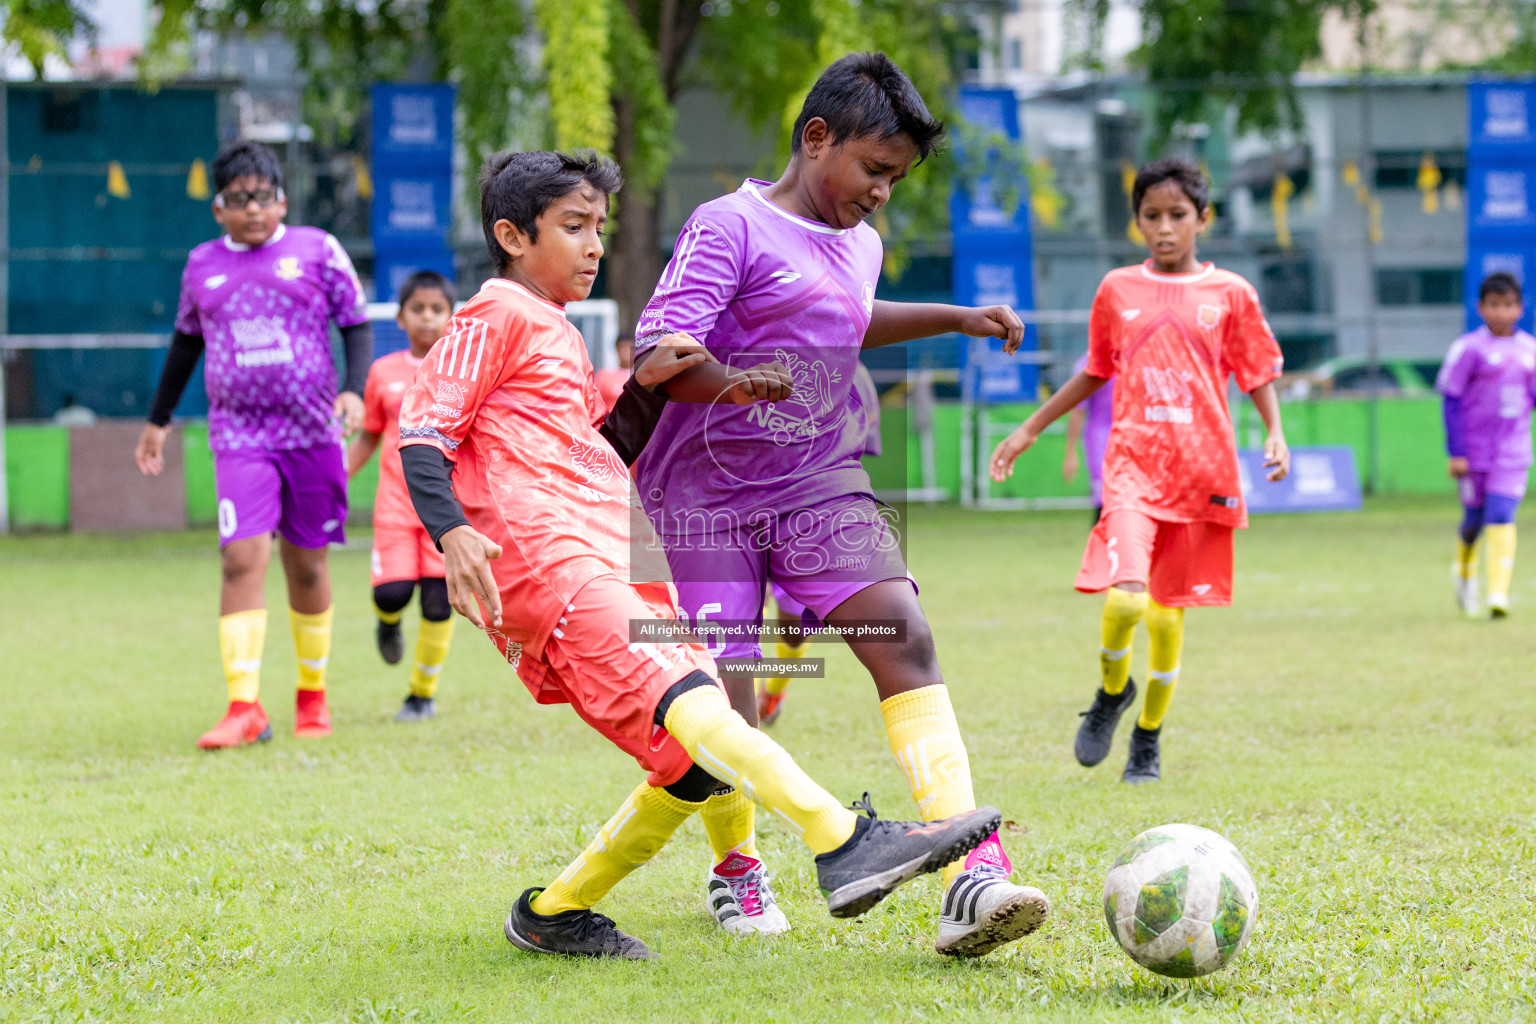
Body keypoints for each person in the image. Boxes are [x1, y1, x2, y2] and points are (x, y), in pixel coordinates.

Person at [395, 148, 1002, 961]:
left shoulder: (558, 334)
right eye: (573, 228)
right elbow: (423, 427)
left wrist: (654, 390)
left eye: (599, 229)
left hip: (609, 555)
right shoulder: (495, 312)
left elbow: (597, 450)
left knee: (694, 759)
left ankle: (553, 910)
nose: (593, 246)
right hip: (553, 564)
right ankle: (845, 839)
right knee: (698, 699)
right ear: (511, 235)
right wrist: (451, 528)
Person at [631, 52, 1049, 955]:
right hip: (698, 497)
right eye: (874, 170)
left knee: (902, 630)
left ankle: (975, 875)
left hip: (818, 480)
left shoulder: (861, 238)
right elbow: (660, 354)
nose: (882, 194)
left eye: (896, 179)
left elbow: (849, 314)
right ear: (815, 138)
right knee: (723, 700)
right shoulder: (725, 225)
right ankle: (737, 873)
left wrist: (957, 315)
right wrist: (736, 384)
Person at [990, 157, 1290, 784]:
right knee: (1126, 600)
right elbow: (1096, 369)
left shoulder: (1232, 294)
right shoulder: (1117, 289)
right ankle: (1110, 692)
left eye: (1178, 215)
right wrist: (1029, 429)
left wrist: (1276, 433)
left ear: (1202, 218)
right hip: (1130, 467)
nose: (1164, 228)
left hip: (1200, 472)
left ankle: (1147, 739)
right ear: (1136, 223)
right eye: (1151, 216)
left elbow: (1256, 370)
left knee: (1165, 614)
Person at [135, 140, 372, 750]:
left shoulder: (318, 250)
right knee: (240, 558)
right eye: (239, 200)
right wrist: (158, 420)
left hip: (314, 431)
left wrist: (352, 392)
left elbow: (355, 323)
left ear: (282, 199)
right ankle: (244, 707)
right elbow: (186, 342)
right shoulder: (201, 265)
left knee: (309, 562)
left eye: (262, 197)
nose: (252, 210)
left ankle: (312, 697)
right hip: (239, 435)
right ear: (219, 208)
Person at [348, 270, 459, 720]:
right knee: (392, 593)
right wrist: (334, 483)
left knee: (438, 604)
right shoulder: (382, 372)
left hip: (447, 512)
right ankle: (387, 623)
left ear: (452, 318)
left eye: (437, 310)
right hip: (395, 507)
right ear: (399, 317)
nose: (428, 318)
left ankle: (421, 695)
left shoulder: (464, 373)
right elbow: (368, 436)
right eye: (418, 309)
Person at [758, 361, 883, 726]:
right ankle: (727, 712)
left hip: (808, 518)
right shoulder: (747, 356)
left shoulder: (855, 374)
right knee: (732, 615)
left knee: (792, 627)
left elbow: (855, 454)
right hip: (738, 508)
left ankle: (774, 689)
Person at [1437, 272, 1536, 619]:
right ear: (1481, 308)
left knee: (1501, 514)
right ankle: (1464, 574)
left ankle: (1498, 593)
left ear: (1520, 308)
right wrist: (1457, 451)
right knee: (1474, 521)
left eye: (1508, 305)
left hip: (1513, 453)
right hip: (1475, 453)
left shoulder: (1530, 351)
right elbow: (1451, 401)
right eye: (1494, 305)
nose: (1501, 312)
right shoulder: (1468, 349)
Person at [1061, 354, 1113, 522]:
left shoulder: (1128, 359)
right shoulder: (1086, 364)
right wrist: (1070, 454)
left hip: (1127, 436)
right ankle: (1101, 544)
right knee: (1103, 496)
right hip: (1099, 439)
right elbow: (1077, 412)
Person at [593, 331, 634, 414]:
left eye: (628, 347)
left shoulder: (641, 378)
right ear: (617, 349)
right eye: (622, 347)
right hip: (610, 424)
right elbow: (595, 404)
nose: (625, 351)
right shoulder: (604, 376)